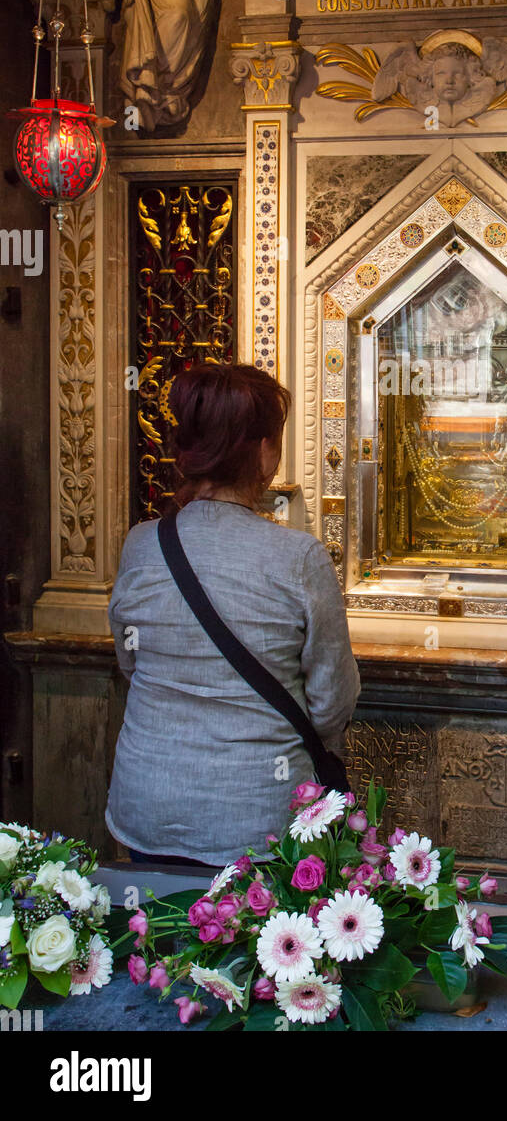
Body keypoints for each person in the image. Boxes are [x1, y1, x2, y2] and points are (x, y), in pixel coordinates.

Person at [106, 363, 360, 867]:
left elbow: (131, 664)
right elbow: (333, 701)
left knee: (157, 939)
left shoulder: (141, 546)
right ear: (266, 451)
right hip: (259, 813)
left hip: (149, 800)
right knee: (254, 944)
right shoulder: (300, 558)